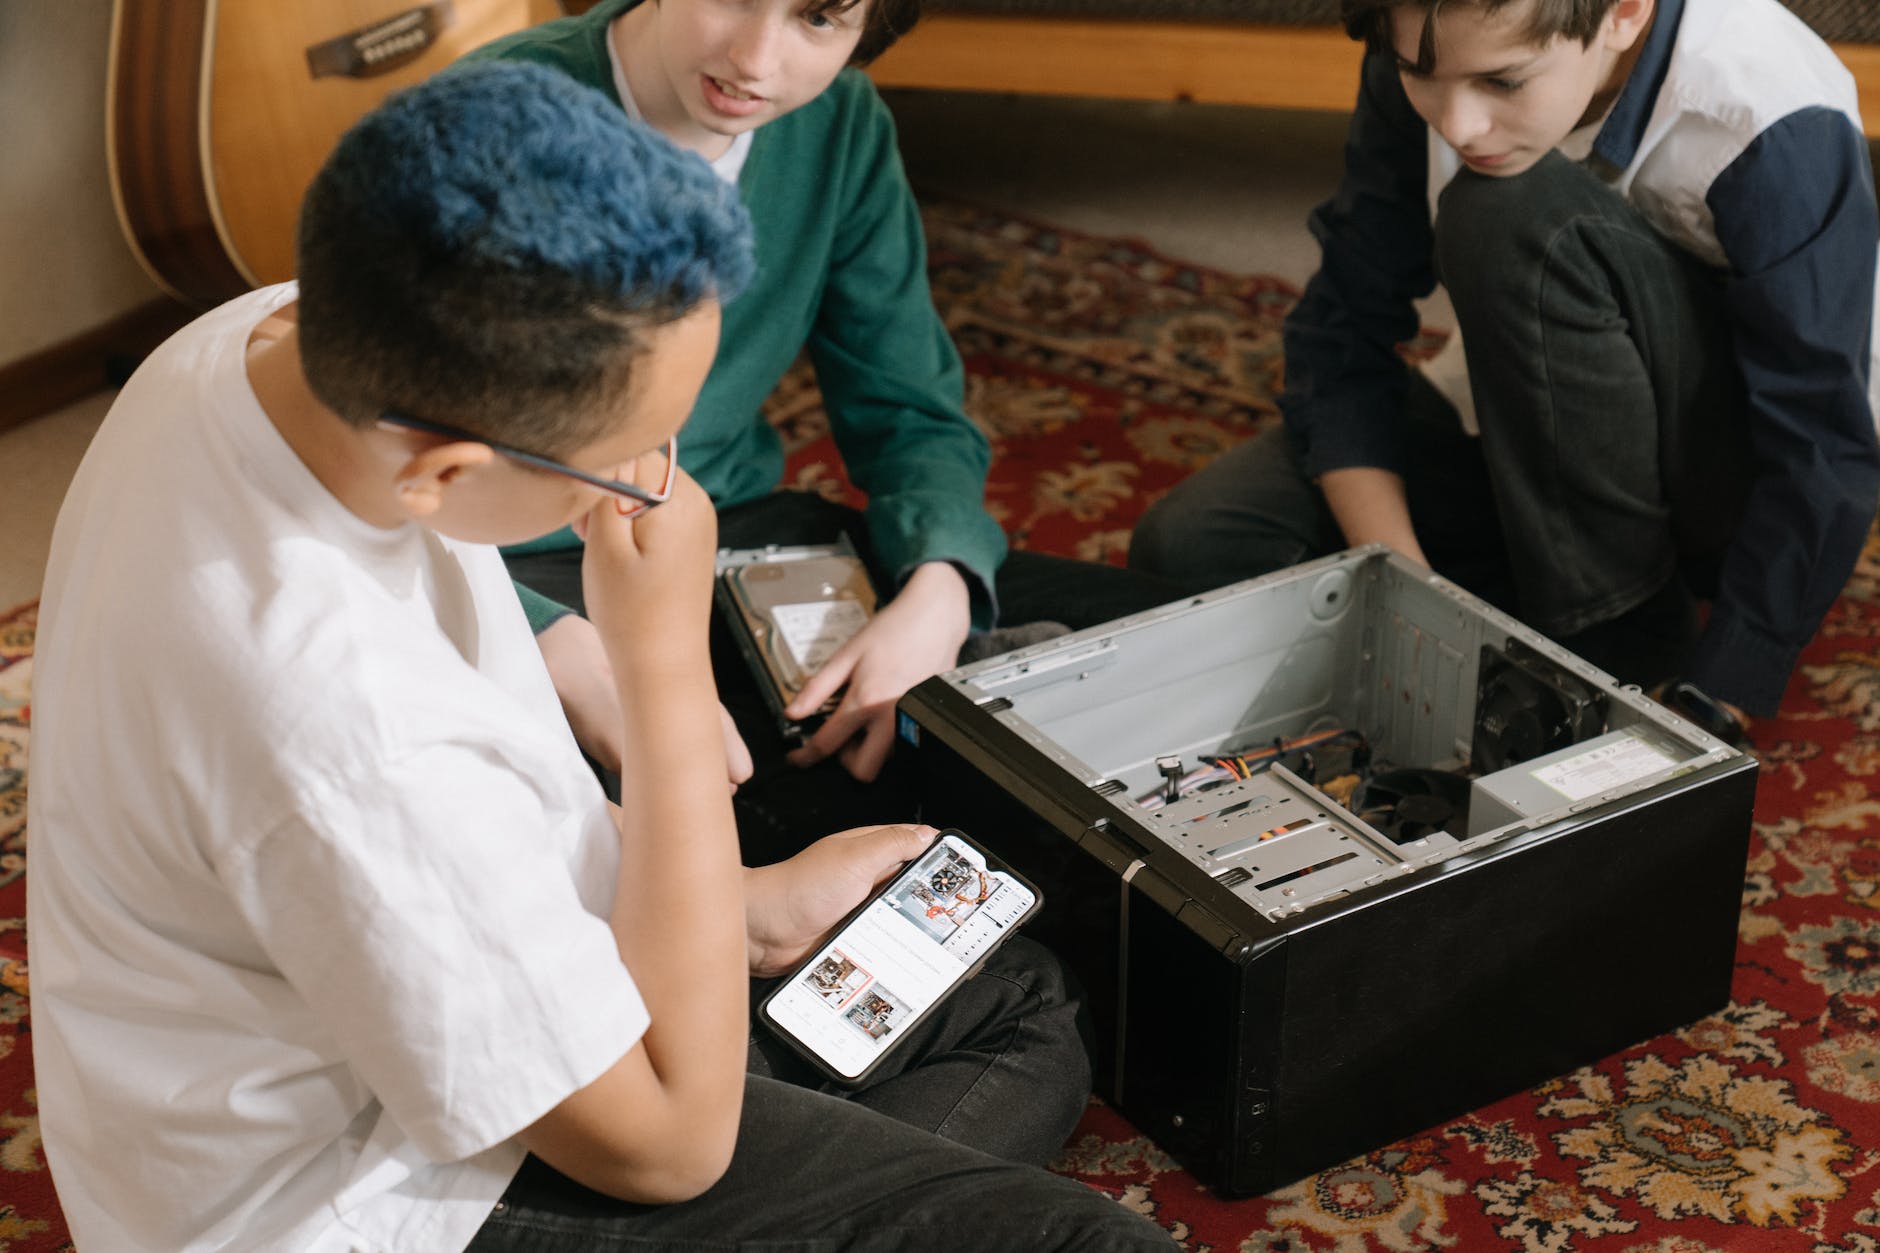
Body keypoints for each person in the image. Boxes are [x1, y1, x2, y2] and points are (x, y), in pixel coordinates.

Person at [26, 62, 1176, 1251]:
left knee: (1011, 997)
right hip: (371, 1196)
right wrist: (663, 662)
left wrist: (745, 910)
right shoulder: (347, 728)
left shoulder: (264, 334)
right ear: (443, 472)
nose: (659, 487)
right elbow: (671, 1148)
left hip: (407, 1002)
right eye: (630, 453)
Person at [462, 0, 1184, 860]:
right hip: (508, 557)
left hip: (733, 526)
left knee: (1168, 643)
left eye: (819, 17)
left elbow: (909, 404)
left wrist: (940, 591)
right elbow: (355, 468)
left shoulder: (840, 123)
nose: (755, 60)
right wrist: (542, 637)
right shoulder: (485, 117)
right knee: (553, 814)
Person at [1127, 0, 1880, 740]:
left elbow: (1823, 444)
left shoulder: (1773, 119)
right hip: (1514, 409)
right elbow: (1346, 323)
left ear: (1625, 13)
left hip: (1719, 484)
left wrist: (1712, 691)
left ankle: (1619, 634)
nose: (1456, 125)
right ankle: (1508, 608)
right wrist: (1405, 588)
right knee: (1193, 545)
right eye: (1422, 77)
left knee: (1510, 214)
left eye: (1505, 83)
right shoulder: (1428, 33)